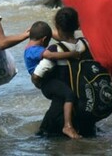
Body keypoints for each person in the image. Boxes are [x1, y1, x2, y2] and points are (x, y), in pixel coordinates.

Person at [33, 7, 97, 137]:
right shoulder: (86, 44)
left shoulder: (54, 50)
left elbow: (36, 76)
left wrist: (44, 86)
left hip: (60, 113)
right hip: (86, 109)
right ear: (77, 25)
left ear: (56, 26)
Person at [24, 21, 81, 139]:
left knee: (62, 97)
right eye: (48, 41)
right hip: (45, 82)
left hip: (46, 80)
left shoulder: (30, 47)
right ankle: (67, 126)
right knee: (69, 94)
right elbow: (50, 55)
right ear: (44, 40)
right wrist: (71, 54)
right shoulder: (35, 50)